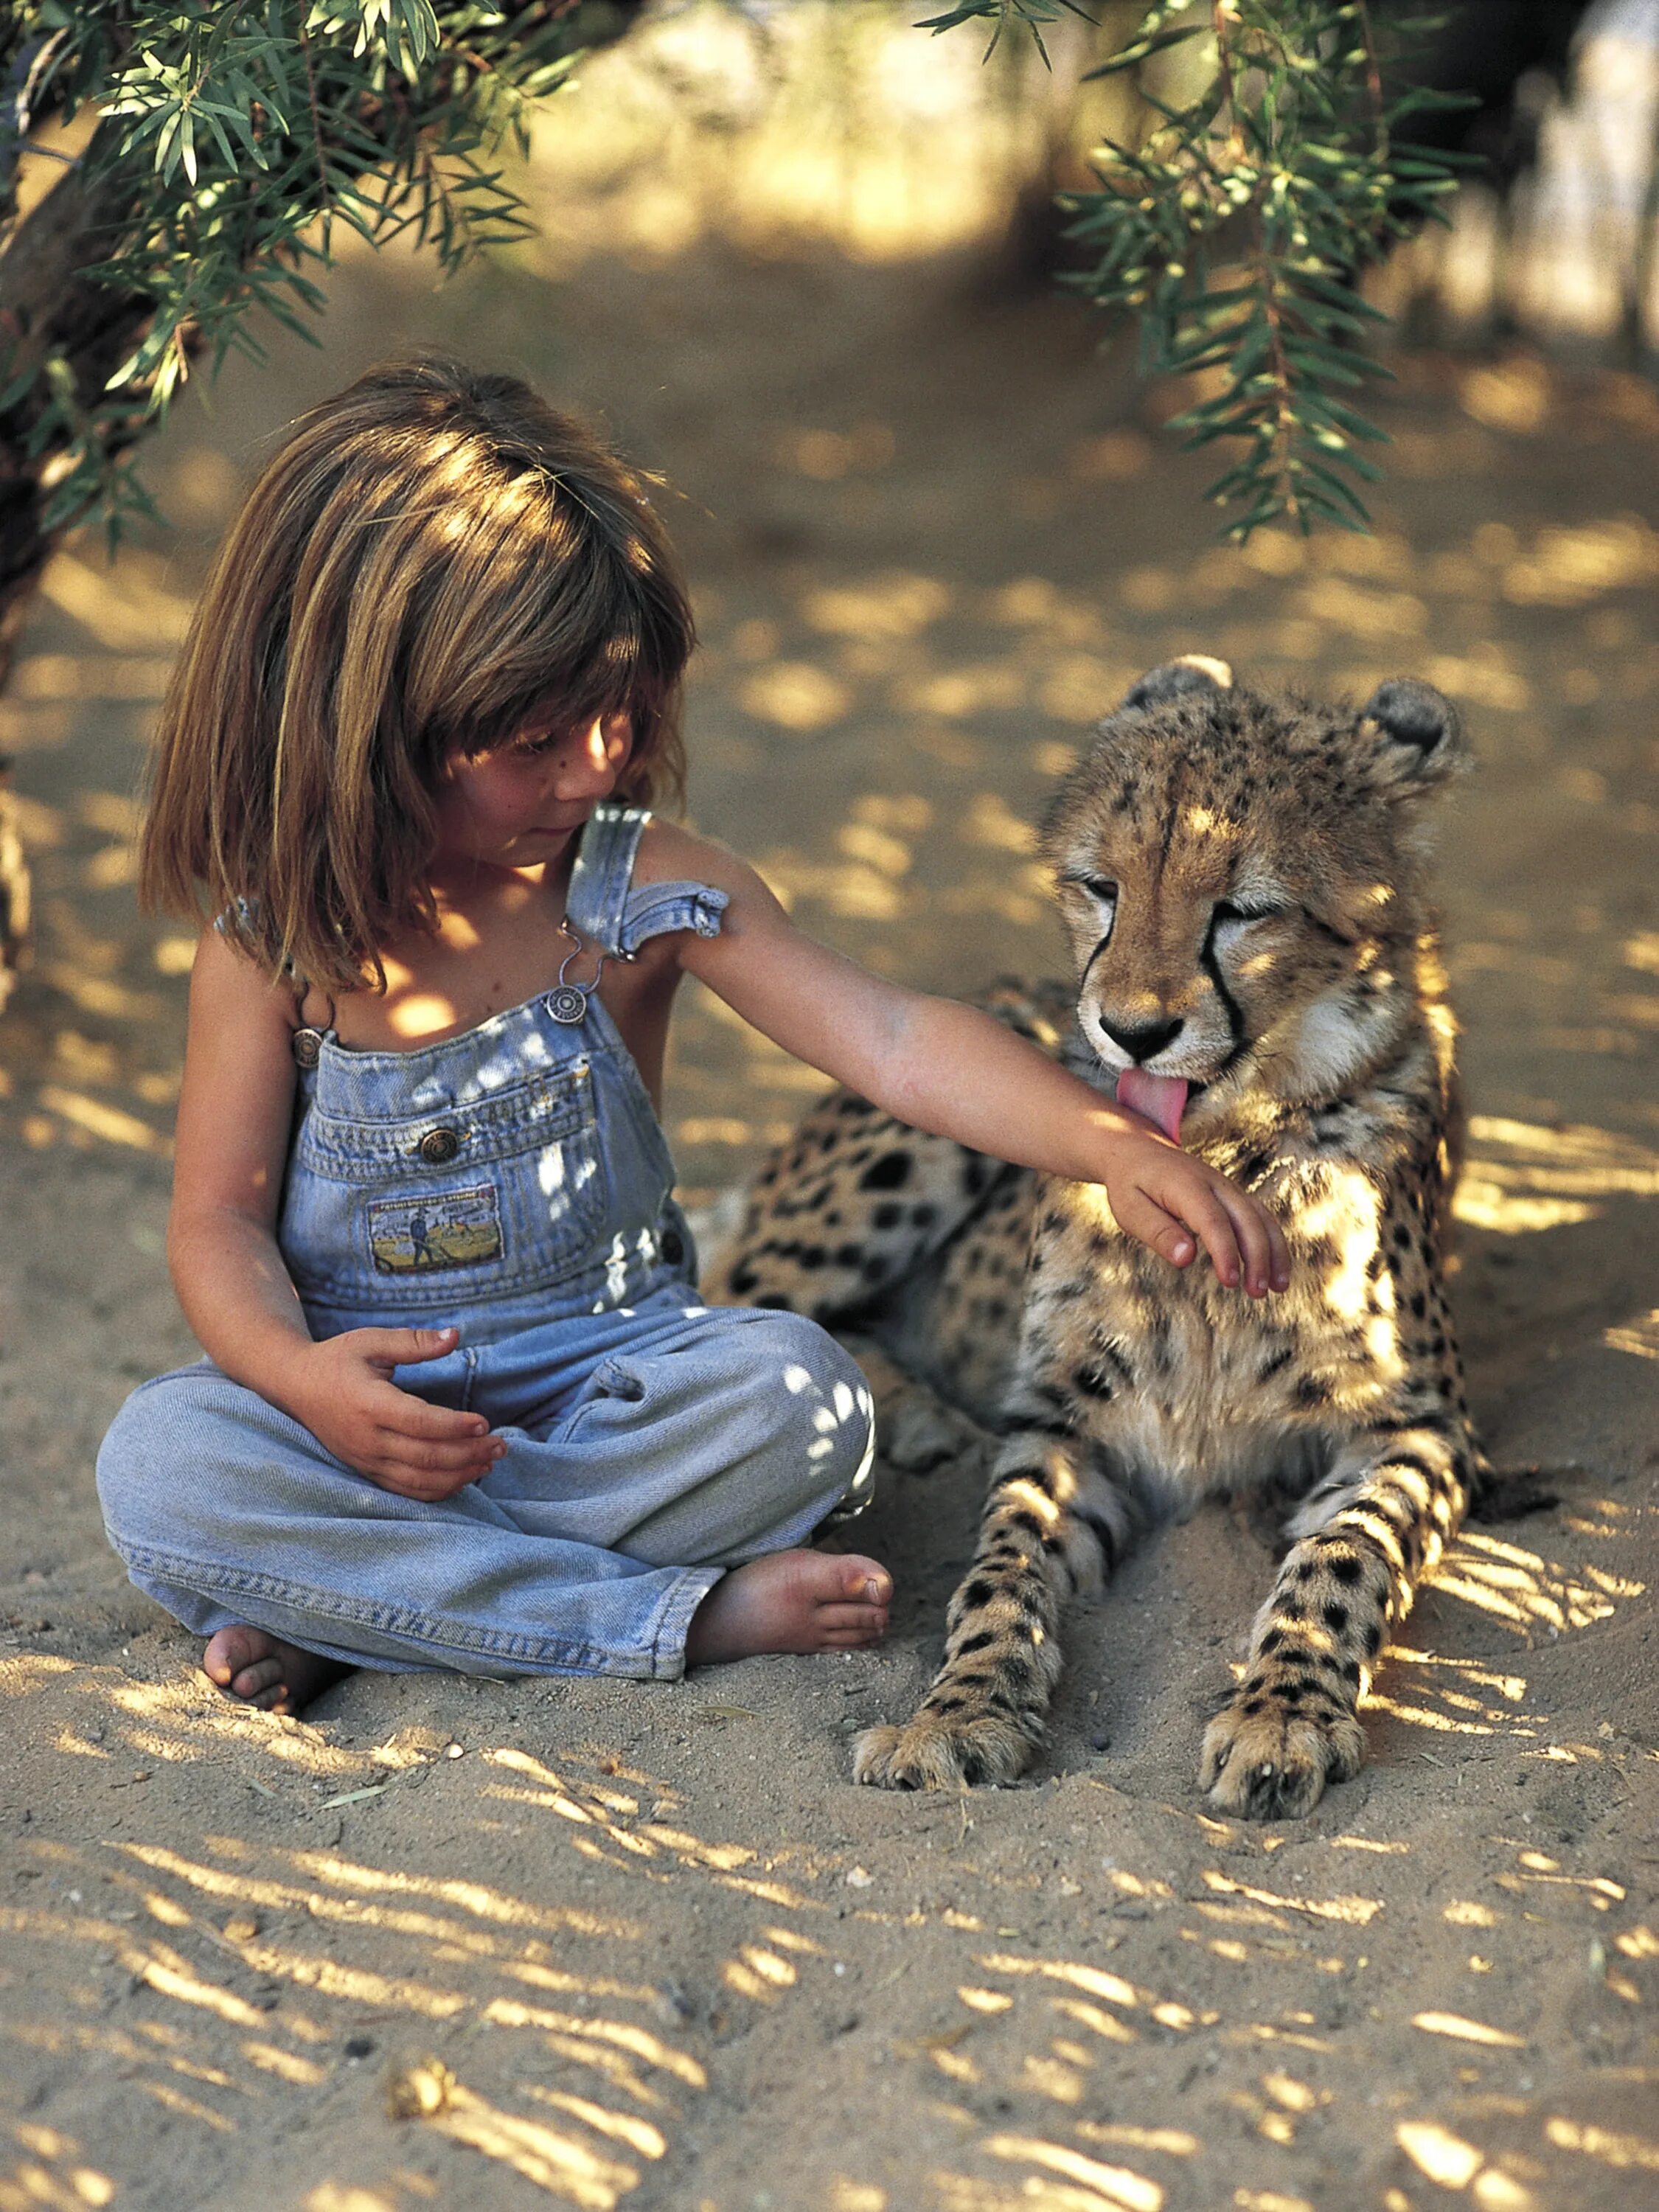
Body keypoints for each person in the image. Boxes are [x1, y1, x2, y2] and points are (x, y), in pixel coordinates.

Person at [96, 355, 1290, 1717]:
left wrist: (1102, 1144)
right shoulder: (270, 952)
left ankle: (374, 1606)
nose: (598, 764)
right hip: (355, 1424)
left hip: (613, 1389)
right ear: (360, 729)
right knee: (163, 1459)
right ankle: (662, 1615)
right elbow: (219, 1227)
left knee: (804, 1403)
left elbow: (891, 1037)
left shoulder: (642, 887)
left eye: (621, 714)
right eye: (537, 739)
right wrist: (299, 1383)